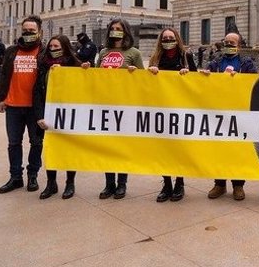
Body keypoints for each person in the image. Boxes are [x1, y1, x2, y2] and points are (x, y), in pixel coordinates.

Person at [83, 18, 143, 200]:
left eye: (119, 28)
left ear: (125, 32)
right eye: (112, 28)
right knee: (107, 147)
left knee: (121, 147)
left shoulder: (134, 53)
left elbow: (144, 80)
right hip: (104, 105)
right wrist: (86, 69)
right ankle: (109, 184)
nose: (115, 30)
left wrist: (135, 73)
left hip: (124, 106)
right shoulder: (103, 52)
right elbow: (95, 77)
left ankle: (121, 184)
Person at [202, 32, 257, 201]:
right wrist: (204, 76)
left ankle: (238, 185)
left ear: (239, 46)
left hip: (239, 111)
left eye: (232, 42)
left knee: (238, 149)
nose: (229, 45)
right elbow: (204, 80)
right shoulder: (215, 62)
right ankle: (219, 183)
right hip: (218, 111)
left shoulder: (246, 63)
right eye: (226, 42)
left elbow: (253, 81)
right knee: (219, 148)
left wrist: (239, 79)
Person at [147, 28, 196, 202]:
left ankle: (179, 183)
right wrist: (151, 73)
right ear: (161, 40)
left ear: (177, 39)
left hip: (180, 109)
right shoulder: (156, 58)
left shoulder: (185, 57)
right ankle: (166, 183)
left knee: (179, 148)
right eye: (165, 38)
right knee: (163, 148)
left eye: (171, 37)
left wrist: (186, 74)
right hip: (161, 108)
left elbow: (196, 81)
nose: (168, 40)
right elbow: (147, 84)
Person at [0, 15, 44, 194]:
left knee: (36, 142)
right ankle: (15, 177)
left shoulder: (44, 52)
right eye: (25, 30)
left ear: (39, 32)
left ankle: (33, 176)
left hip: (36, 109)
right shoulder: (12, 51)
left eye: (32, 30)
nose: (28, 33)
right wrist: (2, 98)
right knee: (14, 143)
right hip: (13, 106)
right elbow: (4, 74)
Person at [33, 35, 82, 199]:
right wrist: (39, 116)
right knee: (50, 149)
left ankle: (70, 183)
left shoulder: (74, 64)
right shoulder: (43, 65)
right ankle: (51, 183)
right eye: (51, 47)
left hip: (68, 114)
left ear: (65, 47)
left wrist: (86, 69)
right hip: (48, 113)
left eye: (57, 47)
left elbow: (87, 86)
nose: (53, 49)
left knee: (69, 150)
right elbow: (37, 92)